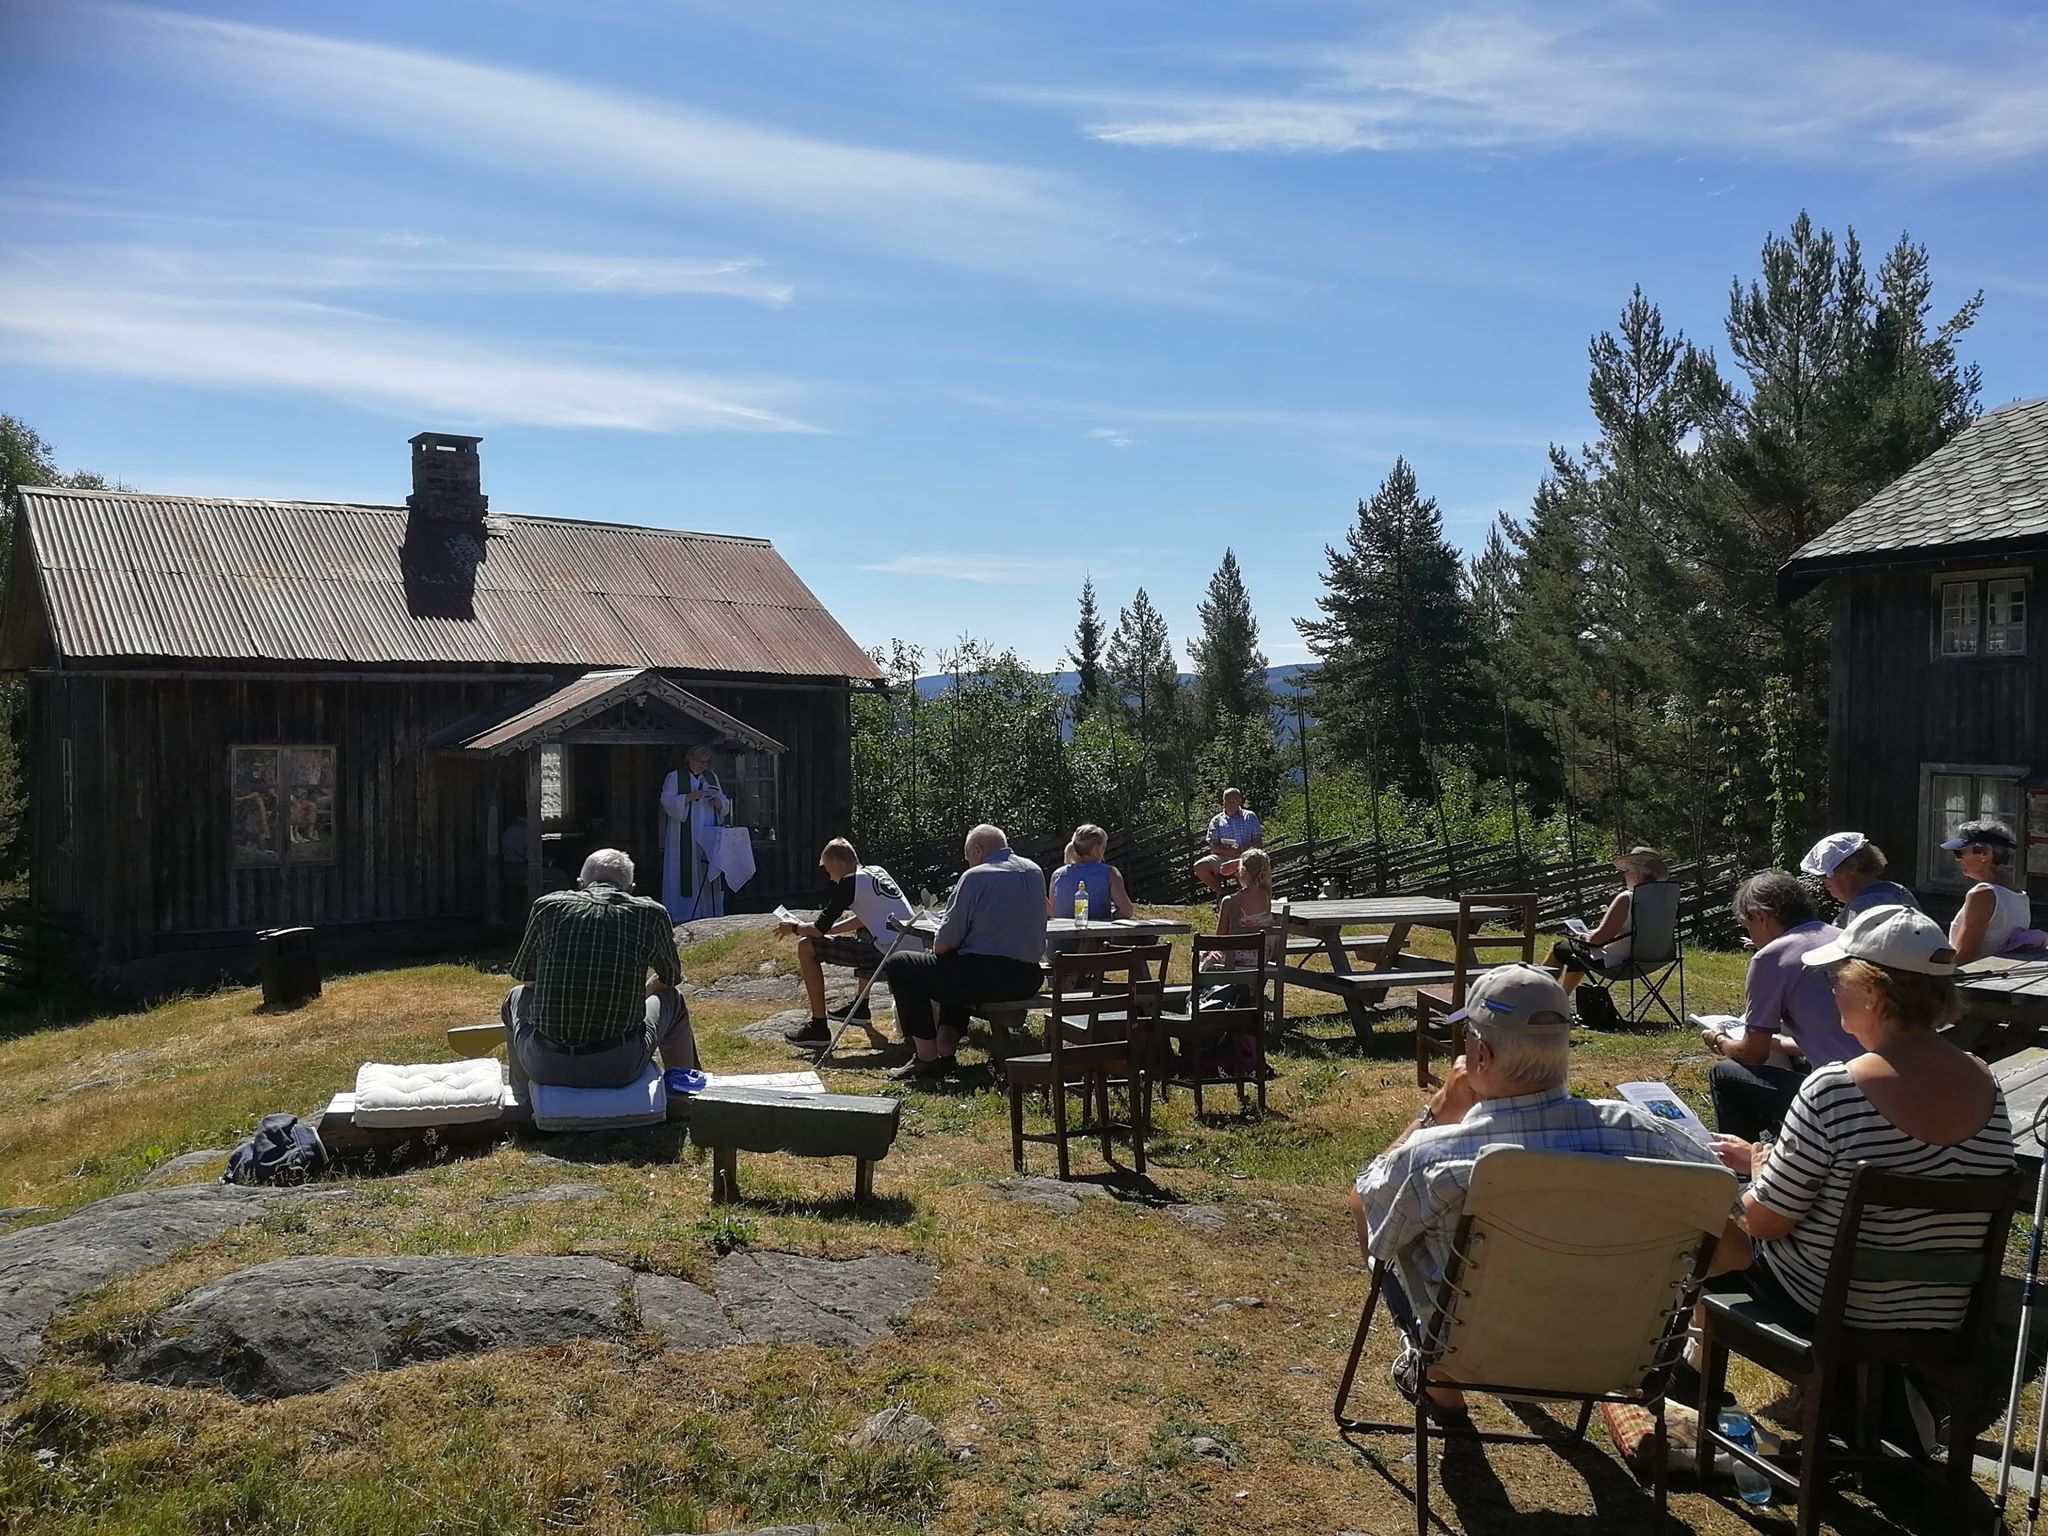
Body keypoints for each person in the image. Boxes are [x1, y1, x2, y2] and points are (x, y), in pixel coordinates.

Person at [1351, 964, 1747, 1412]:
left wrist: (1439, 1109)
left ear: (1481, 1056)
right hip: (1617, 1359)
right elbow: (1735, 1250)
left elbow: (1367, 1209)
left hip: (1474, 1356)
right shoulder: (1645, 1135)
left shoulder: (1434, 1154)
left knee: (1391, 1220)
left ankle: (1440, 1388)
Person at [1711, 905, 2013, 1335]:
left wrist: (1759, 1172)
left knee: (1708, 1219)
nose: (1833, 993)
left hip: (1838, 1308)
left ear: (1873, 993)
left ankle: (1690, 1371)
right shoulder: (1986, 1080)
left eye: (1837, 980)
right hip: (1942, 1312)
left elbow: (1765, 1222)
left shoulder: (1835, 1088)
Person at [501, 848, 697, 1091]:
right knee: (673, 999)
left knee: (515, 995)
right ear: (631, 888)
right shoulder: (651, 913)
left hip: (545, 1065)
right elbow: (671, 978)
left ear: (580, 883)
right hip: (619, 1067)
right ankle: (684, 1093)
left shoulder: (547, 907)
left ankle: (522, 1097)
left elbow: (526, 978)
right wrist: (645, 990)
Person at [880, 824, 1045, 1083]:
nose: (968, 864)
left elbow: (943, 944)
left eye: (968, 857)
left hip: (985, 978)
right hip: (1027, 977)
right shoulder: (1034, 871)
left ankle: (926, 1059)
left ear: (978, 850)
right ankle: (946, 1048)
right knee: (954, 966)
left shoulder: (976, 877)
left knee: (902, 964)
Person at [1702, 871, 1856, 1141]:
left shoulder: (1772, 958)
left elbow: (1753, 1055)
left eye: (1746, 925)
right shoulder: (1845, 937)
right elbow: (1833, 1034)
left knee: (1725, 1074)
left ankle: (1743, 1167)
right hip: (1884, 1083)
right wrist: (1776, 1043)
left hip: (1840, 1098)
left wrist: (1721, 1040)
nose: (1749, 935)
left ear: (1761, 916)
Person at [779, 839, 918, 1047]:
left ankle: (819, 1028)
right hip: (910, 946)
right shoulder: (876, 872)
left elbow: (817, 929)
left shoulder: (849, 883)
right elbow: (866, 917)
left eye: (828, 871)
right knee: (864, 930)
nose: (830, 878)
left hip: (888, 954)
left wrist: (794, 928)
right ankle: (861, 1006)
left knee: (806, 947)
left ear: (837, 864)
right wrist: (832, 931)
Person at [1545, 846, 1668, 992]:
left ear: (1636, 873)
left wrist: (1584, 936)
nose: (1625, 876)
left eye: (1627, 871)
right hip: (1652, 960)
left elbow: (1598, 940)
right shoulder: (1664, 901)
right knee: (1576, 954)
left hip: (1616, 961)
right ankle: (1562, 998)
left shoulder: (1627, 898)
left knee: (1559, 948)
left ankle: (1541, 995)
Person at [1944, 820, 2036, 963]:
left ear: (1984, 853)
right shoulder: (2019, 895)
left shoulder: (1983, 894)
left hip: (1970, 979)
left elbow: (1964, 955)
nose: (1957, 859)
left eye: (1959, 852)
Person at [659, 745, 732, 920]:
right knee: (686, 870)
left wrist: (719, 804)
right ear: (689, 759)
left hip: (708, 830)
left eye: (705, 762)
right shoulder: (675, 777)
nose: (702, 765)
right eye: (699, 761)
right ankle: (682, 913)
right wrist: (689, 797)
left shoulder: (711, 777)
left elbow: (723, 800)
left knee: (706, 868)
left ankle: (708, 913)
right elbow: (666, 800)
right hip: (685, 834)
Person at [1799, 831, 1919, 918]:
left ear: (1852, 867)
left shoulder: (1866, 905)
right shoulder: (1896, 890)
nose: (1822, 882)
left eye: (1825, 875)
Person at [1047, 824, 1135, 922]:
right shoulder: (1110, 873)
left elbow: (1052, 911)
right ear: (1096, 849)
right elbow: (1126, 911)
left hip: (1061, 934)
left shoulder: (1057, 874)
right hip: (1098, 935)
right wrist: (1112, 916)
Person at [1192, 789, 1263, 894]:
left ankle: (1246, 897)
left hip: (1247, 856)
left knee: (1246, 870)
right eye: (1227, 801)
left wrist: (1244, 853)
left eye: (1232, 801)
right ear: (1223, 801)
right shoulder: (1216, 821)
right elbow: (1213, 847)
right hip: (1224, 857)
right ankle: (1221, 892)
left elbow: (1258, 842)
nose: (1229, 804)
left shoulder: (1250, 817)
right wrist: (1230, 852)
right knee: (1199, 866)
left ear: (1240, 801)